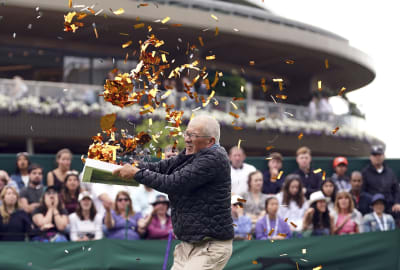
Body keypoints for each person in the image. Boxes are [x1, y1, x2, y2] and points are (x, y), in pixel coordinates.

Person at [113, 115, 234, 270]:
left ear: (210, 141)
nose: (187, 139)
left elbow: (173, 183)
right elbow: (161, 168)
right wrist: (129, 166)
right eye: (187, 133)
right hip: (187, 246)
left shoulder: (214, 159)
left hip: (209, 247)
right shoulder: (194, 153)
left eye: (193, 135)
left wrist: (136, 174)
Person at [362, 145, 400, 224]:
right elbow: (363, 192)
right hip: (373, 207)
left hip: (390, 206)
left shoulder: (390, 172)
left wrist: (397, 203)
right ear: (371, 157)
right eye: (374, 155)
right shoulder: (365, 173)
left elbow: (396, 189)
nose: (377, 157)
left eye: (379, 155)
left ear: (383, 156)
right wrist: (375, 201)